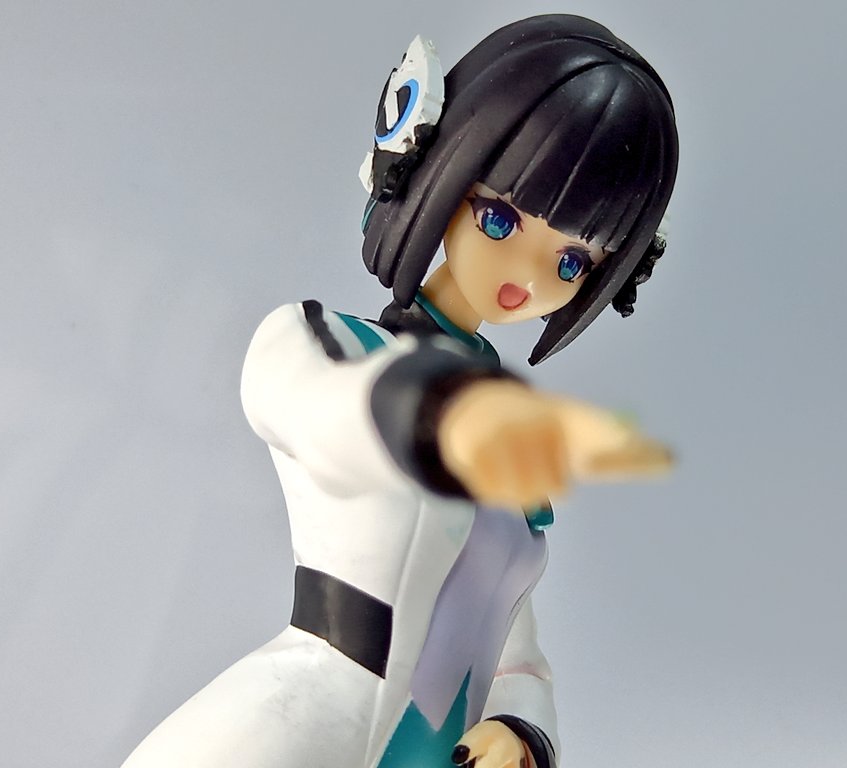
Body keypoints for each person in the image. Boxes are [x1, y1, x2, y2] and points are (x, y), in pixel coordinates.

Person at [122, 14, 678, 768]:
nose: (527, 277)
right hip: (303, 726)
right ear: (438, 167)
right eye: (500, 218)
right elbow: (300, 403)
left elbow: (515, 653)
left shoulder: (510, 460)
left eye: (571, 262)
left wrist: (519, 730)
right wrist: (423, 413)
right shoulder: (338, 348)